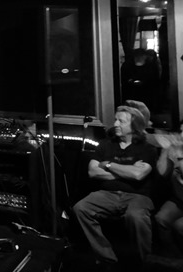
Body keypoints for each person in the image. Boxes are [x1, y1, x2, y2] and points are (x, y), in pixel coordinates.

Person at [73, 105, 157, 270]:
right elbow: (92, 171)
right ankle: (107, 259)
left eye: (121, 121)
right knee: (80, 208)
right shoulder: (105, 144)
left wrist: (108, 164)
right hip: (107, 193)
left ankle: (144, 263)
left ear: (134, 126)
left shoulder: (147, 148)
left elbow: (138, 175)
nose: (116, 124)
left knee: (136, 216)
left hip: (138, 196)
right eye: (115, 120)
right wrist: (127, 171)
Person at [153, 120, 183, 257]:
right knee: (161, 219)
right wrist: (165, 149)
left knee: (179, 226)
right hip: (179, 199)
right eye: (181, 131)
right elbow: (162, 172)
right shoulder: (175, 148)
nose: (182, 135)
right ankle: (174, 258)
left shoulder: (179, 150)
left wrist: (179, 153)